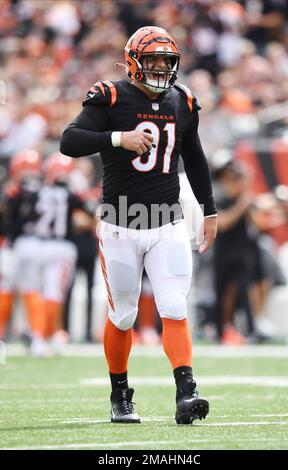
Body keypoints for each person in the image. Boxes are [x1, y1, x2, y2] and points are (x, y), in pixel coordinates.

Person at [60, 26, 217, 425]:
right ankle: (120, 395)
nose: (161, 68)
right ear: (133, 61)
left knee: (173, 305)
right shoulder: (110, 95)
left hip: (168, 221)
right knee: (124, 315)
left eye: (167, 61)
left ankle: (187, 391)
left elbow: (195, 159)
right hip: (120, 222)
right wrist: (117, 138)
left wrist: (209, 211)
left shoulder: (183, 101)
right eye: (153, 60)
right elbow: (70, 140)